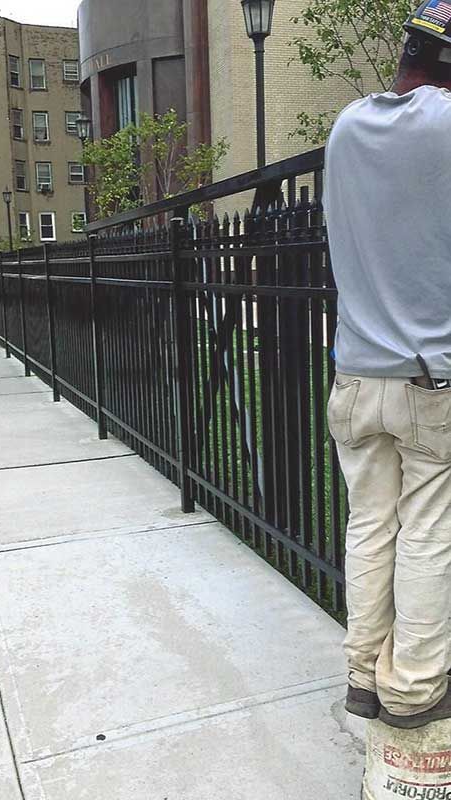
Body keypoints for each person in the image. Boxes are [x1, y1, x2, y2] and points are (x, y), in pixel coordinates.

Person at [325, 0, 451, 730]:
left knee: (369, 525)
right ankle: (413, 689)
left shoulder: (347, 127)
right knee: (428, 528)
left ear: (407, 55)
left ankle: (361, 675)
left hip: (356, 376)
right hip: (430, 380)